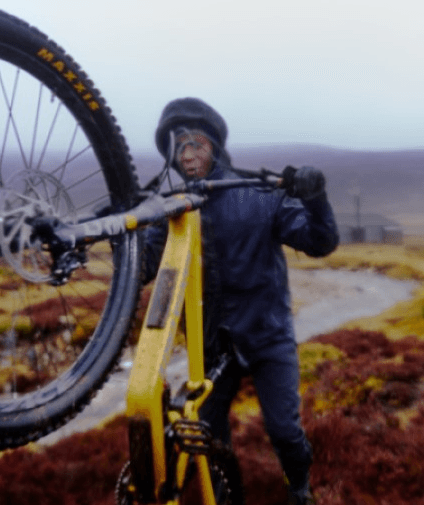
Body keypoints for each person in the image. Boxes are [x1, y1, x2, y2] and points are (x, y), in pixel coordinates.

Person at [142, 97, 339, 505]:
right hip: (211, 348)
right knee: (209, 440)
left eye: (197, 143)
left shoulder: (259, 195)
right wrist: (120, 229)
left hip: (269, 338)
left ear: (215, 145)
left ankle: (299, 487)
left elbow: (321, 242)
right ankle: (228, 497)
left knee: (284, 431)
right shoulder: (172, 212)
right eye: (179, 148)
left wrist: (316, 196)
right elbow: (143, 266)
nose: (189, 155)